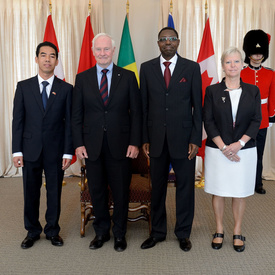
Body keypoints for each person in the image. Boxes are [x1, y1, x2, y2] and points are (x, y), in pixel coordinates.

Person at [71, 33, 141, 252]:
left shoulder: (128, 77)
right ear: (93, 52)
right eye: (98, 50)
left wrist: (135, 142)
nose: (102, 53)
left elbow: (137, 114)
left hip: (121, 145)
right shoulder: (82, 78)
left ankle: (120, 233)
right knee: (97, 190)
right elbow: (76, 116)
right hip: (91, 146)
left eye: (106, 49)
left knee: (121, 191)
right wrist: (78, 143)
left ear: (113, 51)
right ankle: (101, 232)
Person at [140, 27, 202, 251]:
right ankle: (157, 232)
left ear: (178, 42)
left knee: (185, 188)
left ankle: (183, 233)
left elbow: (198, 107)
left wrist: (196, 138)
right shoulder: (146, 68)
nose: (168, 43)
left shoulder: (192, 68)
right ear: (158, 43)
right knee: (157, 188)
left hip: (185, 140)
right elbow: (143, 107)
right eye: (163, 39)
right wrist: (144, 137)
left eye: (172, 39)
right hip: (155, 139)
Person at [12, 41, 74, 249]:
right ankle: (32, 231)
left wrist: (68, 152)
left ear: (57, 61)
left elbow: (69, 123)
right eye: (44, 55)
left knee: (54, 192)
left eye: (52, 56)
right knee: (31, 191)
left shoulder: (66, 89)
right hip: (29, 150)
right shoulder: (23, 87)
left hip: (55, 150)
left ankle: (52, 231)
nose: (48, 59)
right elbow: (18, 121)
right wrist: (17, 150)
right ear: (36, 58)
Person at [203, 47, 262, 252]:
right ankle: (219, 229)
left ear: (242, 64)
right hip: (217, 150)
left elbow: (256, 120)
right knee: (219, 191)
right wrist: (223, 147)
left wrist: (239, 145)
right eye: (228, 62)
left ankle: (237, 231)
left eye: (236, 62)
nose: (233, 66)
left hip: (244, 151)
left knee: (239, 192)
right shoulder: (212, 91)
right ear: (223, 66)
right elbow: (208, 121)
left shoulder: (253, 91)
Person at [241, 29, 275, 194]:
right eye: (254, 53)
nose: (257, 56)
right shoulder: (240, 72)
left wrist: (271, 117)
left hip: (262, 120)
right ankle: (242, 181)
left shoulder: (270, 74)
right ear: (248, 53)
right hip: (243, 119)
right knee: (242, 151)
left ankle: (257, 183)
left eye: (260, 53)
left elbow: (272, 97)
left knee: (258, 152)